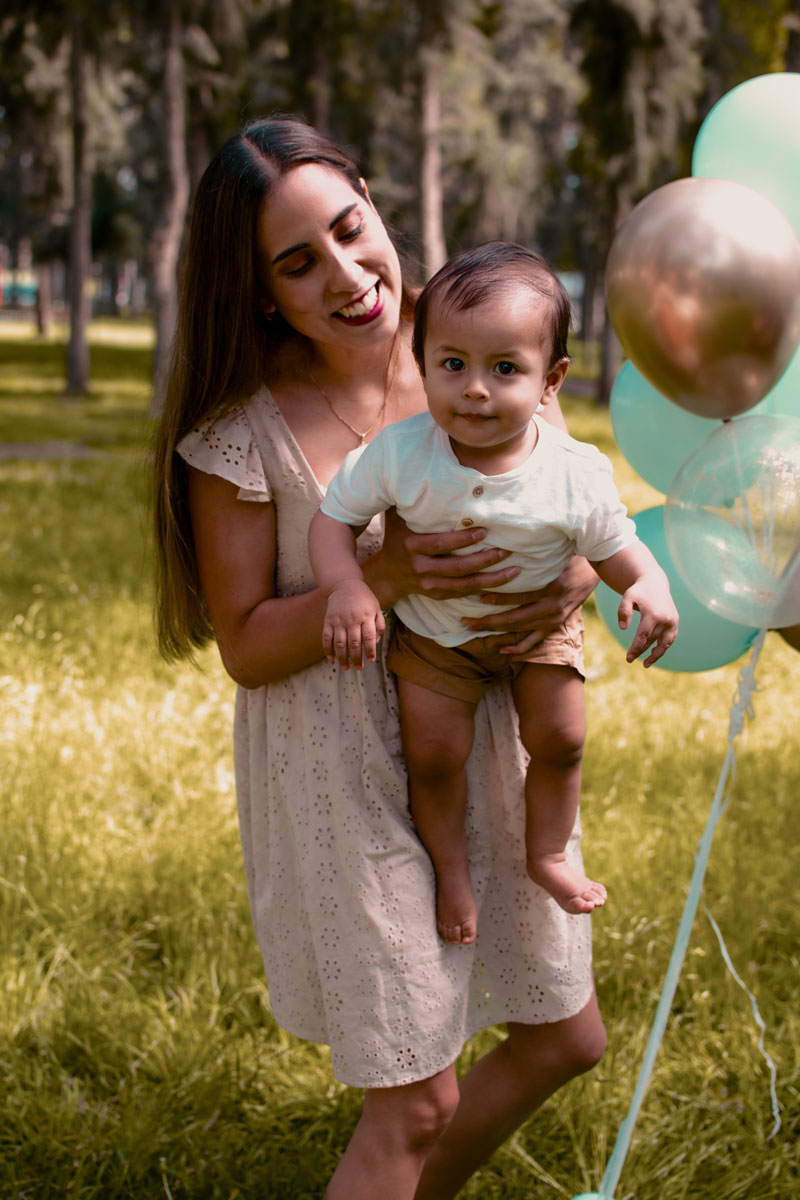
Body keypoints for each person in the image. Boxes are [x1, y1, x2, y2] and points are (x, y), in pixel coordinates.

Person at [153, 117, 608, 1200]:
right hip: (343, 761)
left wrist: (576, 579)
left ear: (372, 201)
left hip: (481, 734)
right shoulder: (245, 433)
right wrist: (386, 575)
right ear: (261, 292)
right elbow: (245, 646)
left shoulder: (476, 347)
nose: (348, 276)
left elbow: (574, 517)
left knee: (566, 1035)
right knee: (413, 1103)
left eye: (350, 230)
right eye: (297, 263)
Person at [309, 242, 679, 945]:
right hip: (436, 635)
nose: (475, 389)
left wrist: (650, 583)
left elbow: (617, 546)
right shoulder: (400, 453)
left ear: (551, 380)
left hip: (537, 630)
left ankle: (548, 855)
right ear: (423, 364)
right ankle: (452, 871)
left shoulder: (572, 470)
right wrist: (346, 586)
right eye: (453, 365)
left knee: (563, 739)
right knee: (434, 755)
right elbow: (333, 520)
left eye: (505, 369)